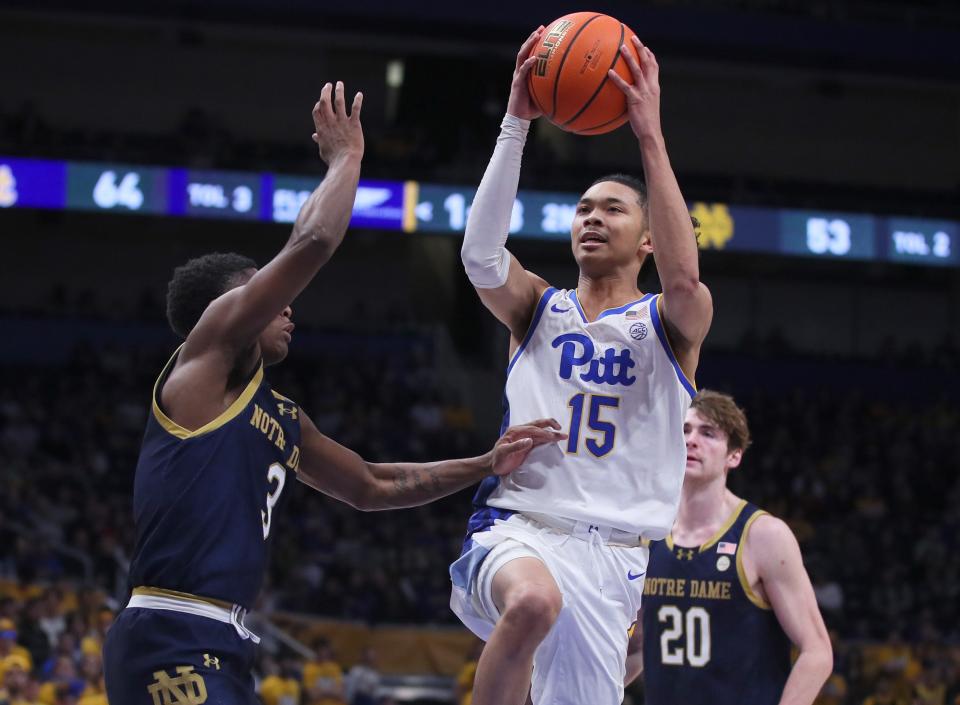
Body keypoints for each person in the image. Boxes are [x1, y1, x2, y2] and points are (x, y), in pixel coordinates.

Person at [102, 81, 566, 705]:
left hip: (225, 639)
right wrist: (347, 158)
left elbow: (373, 486)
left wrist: (486, 463)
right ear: (232, 307)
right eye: (267, 296)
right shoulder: (204, 362)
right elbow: (312, 243)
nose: (287, 306)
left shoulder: (281, 416)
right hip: (170, 629)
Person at [449, 27, 712, 705]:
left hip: (618, 558)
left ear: (648, 237)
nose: (592, 218)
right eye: (583, 209)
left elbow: (685, 283)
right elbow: (480, 255)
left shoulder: (668, 324)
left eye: (613, 209)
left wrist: (649, 135)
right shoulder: (538, 305)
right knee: (533, 602)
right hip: (521, 525)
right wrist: (515, 121)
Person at [626, 390, 833, 704]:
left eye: (708, 433)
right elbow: (638, 647)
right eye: (684, 430)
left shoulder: (763, 535)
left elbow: (817, 652)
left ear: (733, 456)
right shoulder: (648, 534)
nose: (692, 440)